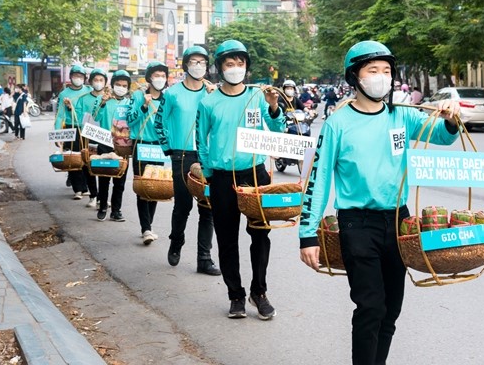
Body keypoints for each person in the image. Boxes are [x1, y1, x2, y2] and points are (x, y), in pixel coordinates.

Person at [299, 41, 461, 365]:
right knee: (370, 306)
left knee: (390, 309)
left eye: (386, 71)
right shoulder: (337, 124)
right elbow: (318, 180)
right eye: (373, 70)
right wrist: (307, 233)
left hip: (399, 222)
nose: (381, 77)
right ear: (355, 77)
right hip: (357, 223)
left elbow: (442, 135)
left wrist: (450, 120)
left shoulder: (402, 117)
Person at [196, 40, 285, 320]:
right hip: (223, 177)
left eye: (240, 64)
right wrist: (209, 174)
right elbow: (202, 141)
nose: (236, 69)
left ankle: (259, 292)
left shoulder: (258, 96)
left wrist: (273, 107)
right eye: (229, 64)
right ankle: (235, 294)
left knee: (260, 234)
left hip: (255, 173)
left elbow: (277, 130)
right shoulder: (209, 102)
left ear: (247, 67)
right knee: (226, 237)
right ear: (220, 68)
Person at [155, 46, 220, 276]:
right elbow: (158, 122)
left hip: (207, 156)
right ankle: (176, 240)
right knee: (183, 204)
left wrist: (215, 99)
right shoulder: (172, 94)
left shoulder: (214, 94)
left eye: (202, 62)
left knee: (208, 208)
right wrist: (168, 149)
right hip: (182, 155)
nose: (198, 65)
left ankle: (204, 257)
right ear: (186, 65)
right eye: (194, 61)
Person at [120, 61, 169, 244]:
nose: (159, 79)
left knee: (156, 187)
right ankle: (146, 228)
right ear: (149, 78)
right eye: (156, 75)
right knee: (143, 186)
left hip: (159, 148)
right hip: (142, 146)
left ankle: (149, 225)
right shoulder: (139, 97)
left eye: (162, 76)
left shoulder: (167, 98)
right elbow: (130, 120)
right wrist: (144, 107)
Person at [94, 70, 131, 222]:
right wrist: (102, 102)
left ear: (128, 87)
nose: (121, 87)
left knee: (120, 180)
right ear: (113, 84)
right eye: (118, 84)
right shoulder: (104, 100)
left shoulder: (130, 103)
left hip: (123, 145)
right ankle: (103, 206)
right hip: (105, 143)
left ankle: (116, 210)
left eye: (124, 85)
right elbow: (94, 117)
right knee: (104, 178)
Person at [75, 69, 111, 207]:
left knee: (103, 167)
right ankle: (93, 195)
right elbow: (78, 117)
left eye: (101, 80)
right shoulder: (83, 99)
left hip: (105, 137)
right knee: (88, 165)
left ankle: (102, 197)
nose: (98, 83)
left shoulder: (110, 98)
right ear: (90, 82)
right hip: (88, 136)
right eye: (96, 80)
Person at [56, 65, 92, 197]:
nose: (78, 78)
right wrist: (57, 135)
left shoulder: (90, 91)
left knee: (86, 158)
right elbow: (59, 115)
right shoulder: (64, 94)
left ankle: (87, 185)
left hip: (87, 128)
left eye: (81, 76)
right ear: (71, 77)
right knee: (72, 158)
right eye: (76, 76)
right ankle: (78, 189)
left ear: (84, 78)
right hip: (71, 128)